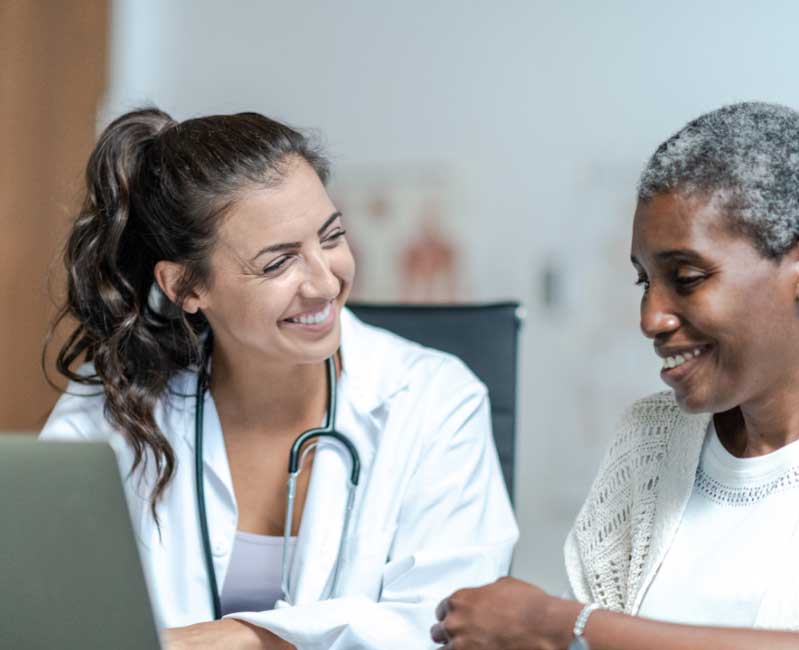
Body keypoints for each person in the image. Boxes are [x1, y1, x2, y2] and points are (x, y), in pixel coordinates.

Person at [431, 102, 799, 649]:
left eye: (686, 278)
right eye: (644, 282)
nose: (650, 319)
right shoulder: (648, 442)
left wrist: (559, 625)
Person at [39, 107, 517, 649]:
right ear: (184, 287)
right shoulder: (117, 401)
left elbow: (450, 628)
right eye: (277, 263)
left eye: (331, 237)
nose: (323, 282)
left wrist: (244, 638)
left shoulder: (433, 400)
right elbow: (47, 603)